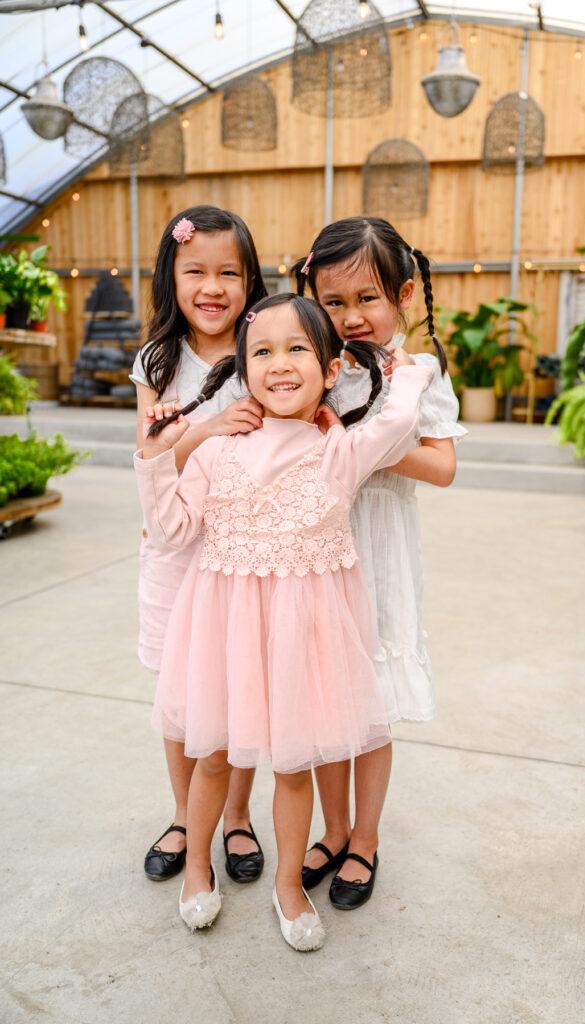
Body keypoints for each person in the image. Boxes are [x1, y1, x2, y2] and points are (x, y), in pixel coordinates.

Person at [134, 293, 434, 950]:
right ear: (244, 372)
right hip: (224, 634)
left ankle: (290, 884)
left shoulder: (341, 449)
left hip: (305, 638)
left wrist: (412, 368)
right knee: (211, 760)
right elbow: (170, 529)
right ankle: (198, 866)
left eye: (297, 348)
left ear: (330, 369)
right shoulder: (217, 452)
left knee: (294, 767)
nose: (279, 363)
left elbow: (403, 415)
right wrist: (156, 458)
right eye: (262, 351)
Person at [293, 216, 467, 909]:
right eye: (333, 303)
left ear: (403, 295)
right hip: (317, 550)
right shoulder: (316, 364)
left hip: (382, 548)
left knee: (371, 708)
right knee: (325, 699)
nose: (351, 316)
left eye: (366, 298)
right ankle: (331, 829)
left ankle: (365, 837)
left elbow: (444, 467)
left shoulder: (416, 374)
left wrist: (372, 438)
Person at [130, 206, 267, 885]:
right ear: (172, 276)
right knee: (180, 698)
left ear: (250, 282)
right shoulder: (157, 359)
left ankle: (236, 814)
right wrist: (209, 431)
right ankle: (187, 815)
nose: (212, 288)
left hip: (240, 552)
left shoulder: (261, 354)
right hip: (174, 552)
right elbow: (148, 449)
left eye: (228, 273)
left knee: (236, 687)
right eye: (196, 272)